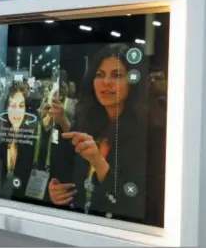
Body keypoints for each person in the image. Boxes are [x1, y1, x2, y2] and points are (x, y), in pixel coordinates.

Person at [48, 44, 166, 227]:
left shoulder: (152, 133)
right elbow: (76, 181)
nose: (106, 83)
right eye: (100, 75)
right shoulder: (87, 123)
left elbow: (147, 205)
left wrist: (100, 163)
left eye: (117, 75)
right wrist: (58, 192)